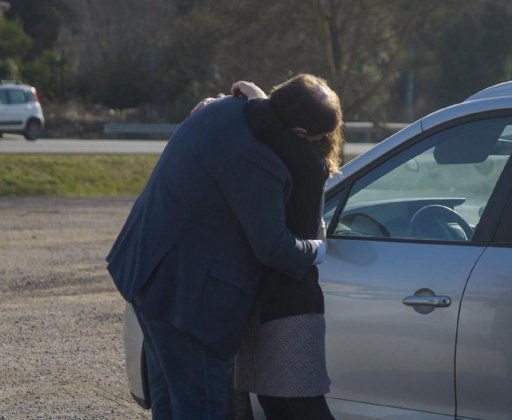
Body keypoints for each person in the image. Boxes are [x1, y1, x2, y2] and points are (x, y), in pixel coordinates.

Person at [106, 74, 339, 419]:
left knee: (170, 403)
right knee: (202, 407)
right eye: (314, 142)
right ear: (300, 135)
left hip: (144, 270)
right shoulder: (259, 159)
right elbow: (274, 248)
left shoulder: (225, 108)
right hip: (187, 302)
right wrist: (319, 249)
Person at [205, 76, 342, 419]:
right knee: (278, 404)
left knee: (297, 406)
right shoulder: (305, 156)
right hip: (280, 303)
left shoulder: (305, 160)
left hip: (289, 305)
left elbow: (263, 121)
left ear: (298, 134)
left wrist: (256, 95)